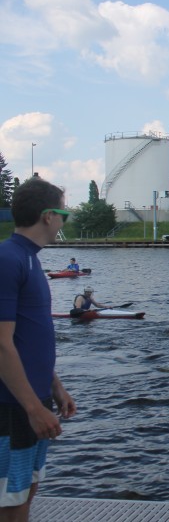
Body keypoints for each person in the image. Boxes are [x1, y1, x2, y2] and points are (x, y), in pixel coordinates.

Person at [0, 178, 77, 520]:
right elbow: (1, 344)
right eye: (64, 213)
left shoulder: (30, 260)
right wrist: (32, 408)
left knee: (27, 489)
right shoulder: (8, 259)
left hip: (32, 397)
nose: (64, 221)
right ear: (48, 216)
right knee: (11, 499)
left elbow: (29, 338)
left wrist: (55, 386)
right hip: (11, 406)